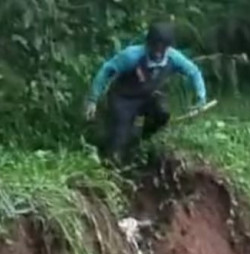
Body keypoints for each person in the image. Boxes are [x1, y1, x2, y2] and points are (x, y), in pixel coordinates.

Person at [85, 21, 207, 161]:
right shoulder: (131, 56)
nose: (158, 52)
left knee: (162, 114)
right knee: (120, 135)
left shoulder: (173, 58)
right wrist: (92, 99)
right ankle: (111, 158)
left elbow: (194, 72)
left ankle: (143, 141)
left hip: (148, 96)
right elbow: (106, 70)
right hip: (123, 98)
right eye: (155, 47)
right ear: (148, 44)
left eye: (163, 48)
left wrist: (200, 98)